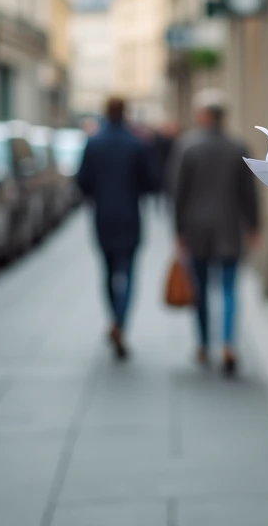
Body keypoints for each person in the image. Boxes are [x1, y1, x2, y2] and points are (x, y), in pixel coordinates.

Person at [173, 89, 260, 376]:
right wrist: (254, 227)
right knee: (229, 289)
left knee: (200, 290)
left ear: (203, 115)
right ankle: (228, 346)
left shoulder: (188, 147)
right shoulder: (239, 148)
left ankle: (202, 344)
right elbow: (250, 194)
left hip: (196, 229)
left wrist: (179, 231)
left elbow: (179, 193)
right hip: (228, 230)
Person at [76, 97, 159, 359]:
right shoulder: (136, 144)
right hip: (130, 217)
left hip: (103, 217)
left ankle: (114, 317)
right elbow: (151, 182)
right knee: (129, 273)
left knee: (108, 271)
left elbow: (82, 181)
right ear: (126, 113)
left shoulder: (95, 143)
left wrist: (97, 195)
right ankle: (120, 323)